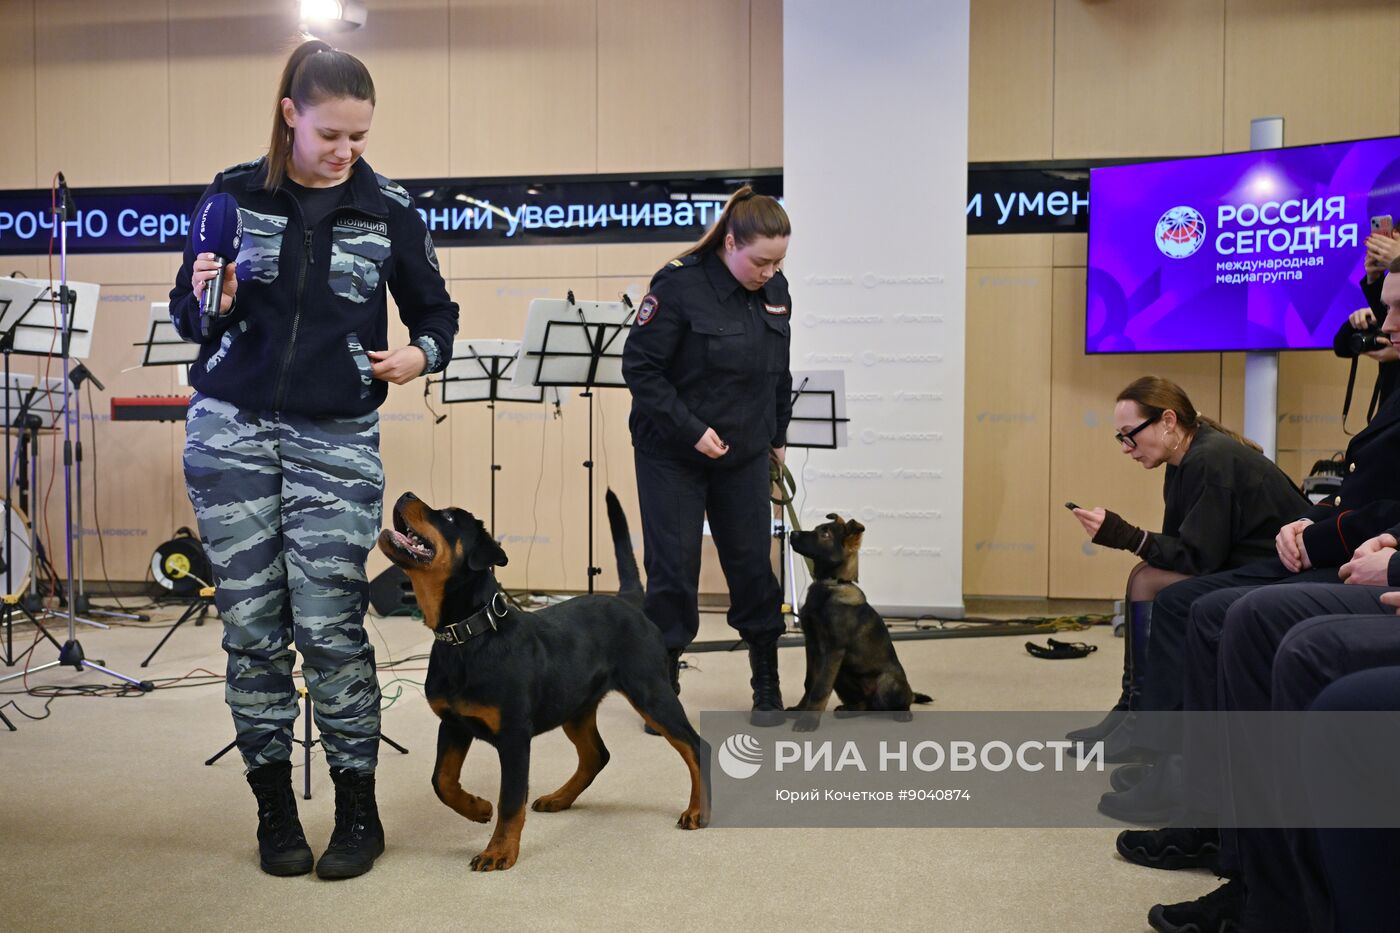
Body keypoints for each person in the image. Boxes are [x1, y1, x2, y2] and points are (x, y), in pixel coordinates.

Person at [169, 39, 458, 879]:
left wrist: (420, 356)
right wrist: (207, 301)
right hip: (232, 432)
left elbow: (436, 312)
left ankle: (357, 812)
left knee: (332, 624)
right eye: (331, 133)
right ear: (290, 114)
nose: (346, 151)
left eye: (359, 136)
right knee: (253, 629)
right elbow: (192, 321)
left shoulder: (390, 208)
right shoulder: (228, 196)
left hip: (337, 438)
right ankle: (274, 812)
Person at [621, 185, 792, 728]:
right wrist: (692, 431)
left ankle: (766, 678)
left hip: (743, 451)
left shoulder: (775, 288)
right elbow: (641, 372)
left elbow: (778, 370)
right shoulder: (678, 286)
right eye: (760, 260)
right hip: (673, 450)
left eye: (779, 261)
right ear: (731, 243)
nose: (769, 272)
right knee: (673, 569)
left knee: (751, 566)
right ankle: (661, 686)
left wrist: (778, 434)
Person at [1066, 377, 1307, 753]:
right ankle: (1132, 707)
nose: (1126, 448)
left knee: (1151, 583)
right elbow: (1180, 546)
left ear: (1167, 420)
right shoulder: (1184, 461)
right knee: (1144, 575)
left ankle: (1142, 721)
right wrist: (1130, 538)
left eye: (1130, 434)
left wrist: (1124, 535)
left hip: (1280, 569)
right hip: (1249, 559)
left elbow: (1197, 557)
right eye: (1121, 437)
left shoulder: (1209, 459)